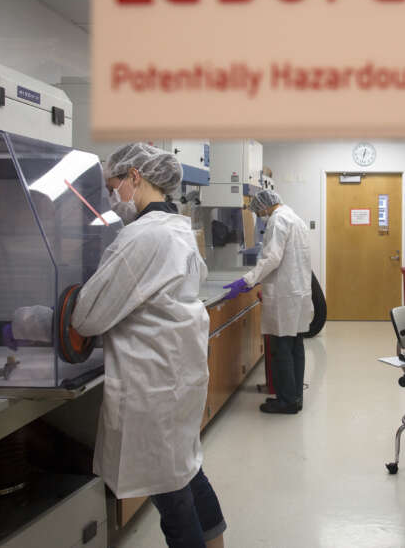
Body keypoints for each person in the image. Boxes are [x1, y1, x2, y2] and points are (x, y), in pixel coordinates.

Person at [70, 143, 225, 548]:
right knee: (187, 474)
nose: (111, 195)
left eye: (113, 184)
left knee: (172, 499)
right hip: (180, 378)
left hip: (153, 384)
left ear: (134, 177)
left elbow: (87, 316)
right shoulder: (179, 230)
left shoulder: (141, 236)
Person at [223, 190, 312, 414]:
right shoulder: (295, 217)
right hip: (298, 292)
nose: (259, 215)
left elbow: (272, 257)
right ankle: (294, 397)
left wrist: (247, 280)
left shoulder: (278, 219)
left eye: (258, 210)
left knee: (282, 348)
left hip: (285, 293)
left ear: (264, 206)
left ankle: (286, 401)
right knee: (295, 346)